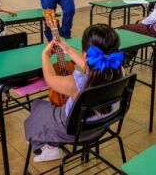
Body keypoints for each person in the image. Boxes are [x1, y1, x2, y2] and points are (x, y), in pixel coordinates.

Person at [24, 24, 124, 162]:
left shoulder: (75, 84)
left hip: (73, 132)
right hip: (101, 127)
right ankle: (51, 144)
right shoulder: (119, 71)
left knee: (36, 106)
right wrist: (68, 50)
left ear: (85, 55)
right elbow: (93, 66)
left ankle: (50, 147)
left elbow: (50, 79)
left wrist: (45, 56)